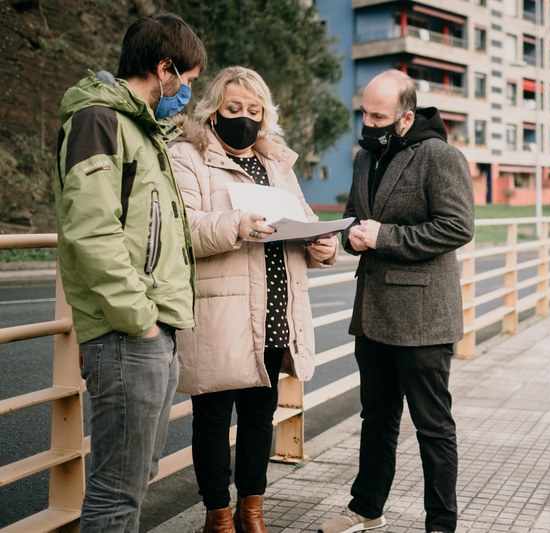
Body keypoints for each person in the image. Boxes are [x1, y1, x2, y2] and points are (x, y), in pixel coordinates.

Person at [168, 66, 338, 533]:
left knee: (260, 417)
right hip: (221, 311)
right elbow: (183, 227)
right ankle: (218, 517)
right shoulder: (187, 156)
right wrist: (236, 225)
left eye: (254, 110)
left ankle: (252, 511)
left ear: (265, 116)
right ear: (213, 110)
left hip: (276, 310)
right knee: (213, 419)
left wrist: (323, 246)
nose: (244, 117)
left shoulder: (278, 164)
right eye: (233, 108)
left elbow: (305, 219)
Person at [53, 12, 206, 532]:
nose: (185, 93)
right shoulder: (99, 121)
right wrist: (139, 319)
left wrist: (155, 325)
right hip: (127, 335)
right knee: (116, 492)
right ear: (164, 69)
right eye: (186, 82)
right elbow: (91, 232)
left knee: (135, 481)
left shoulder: (143, 130)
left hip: (151, 332)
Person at [318, 69, 474, 533]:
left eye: (378, 115)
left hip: (425, 320)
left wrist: (383, 236)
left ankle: (441, 525)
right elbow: (352, 218)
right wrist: (346, 240)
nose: (367, 122)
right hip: (373, 315)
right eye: (364, 112)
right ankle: (366, 509)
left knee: (433, 428)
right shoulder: (365, 157)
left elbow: (457, 227)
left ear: (405, 118)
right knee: (377, 419)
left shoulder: (440, 157)